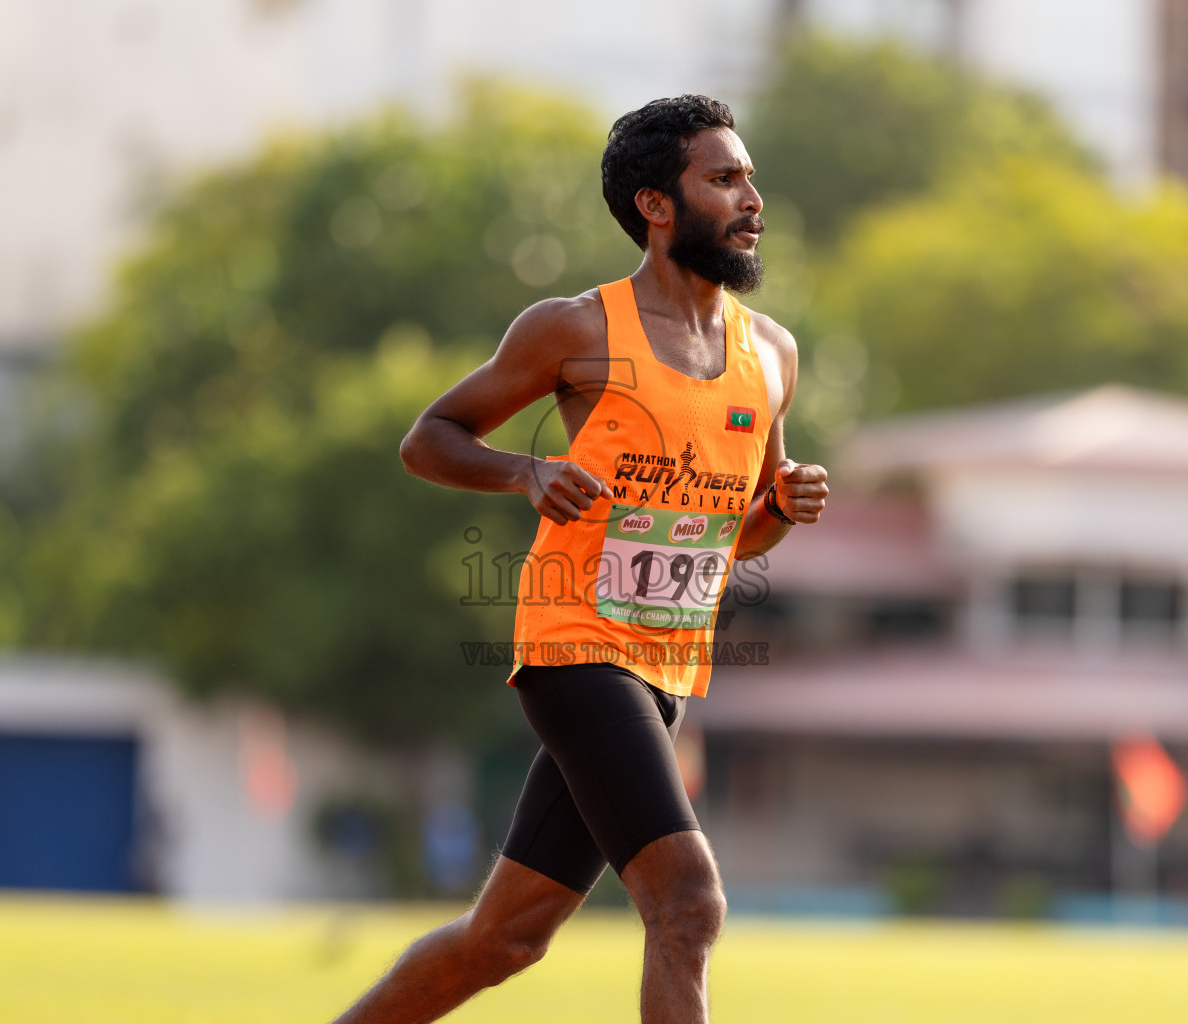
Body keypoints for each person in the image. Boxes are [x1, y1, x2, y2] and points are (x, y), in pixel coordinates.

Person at [331, 94, 829, 1024]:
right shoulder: (576, 330)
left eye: (750, 176)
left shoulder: (771, 355)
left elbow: (739, 532)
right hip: (575, 645)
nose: (752, 197)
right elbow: (427, 439)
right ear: (655, 204)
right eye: (724, 179)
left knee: (505, 939)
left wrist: (786, 508)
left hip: (665, 667)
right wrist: (524, 472)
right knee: (688, 902)